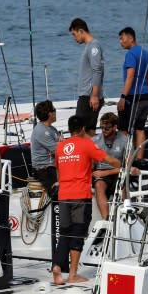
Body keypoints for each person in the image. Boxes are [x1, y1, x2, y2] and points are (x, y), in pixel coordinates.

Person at [53, 115, 120, 284]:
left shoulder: (60, 146)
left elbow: (58, 171)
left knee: (64, 234)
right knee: (77, 235)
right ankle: (73, 275)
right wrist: (120, 164)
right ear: (83, 129)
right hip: (80, 196)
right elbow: (108, 159)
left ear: (69, 129)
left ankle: (57, 267)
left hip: (63, 195)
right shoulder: (86, 144)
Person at [118, 26, 148, 160]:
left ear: (131, 38)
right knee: (140, 129)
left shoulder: (131, 54)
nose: (121, 42)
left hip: (132, 98)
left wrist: (123, 97)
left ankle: (127, 160)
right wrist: (146, 93)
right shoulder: (146, 53)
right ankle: (139, 159)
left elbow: (130, 76)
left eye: (122, 38)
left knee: (123, 130)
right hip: (145, 97)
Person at [69, 17, 104, 136]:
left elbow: (97, 70)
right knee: (89, 131)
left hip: (88, 96)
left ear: (80, 31)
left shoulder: (94, 46)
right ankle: (92, 153)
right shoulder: (89, 46)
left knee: (78, 131)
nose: (74, 38)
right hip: (87, 96)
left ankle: (90, 153)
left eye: (74, 34)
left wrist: (94, 95)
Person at [92, 112, 128, 219]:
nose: (103, 130)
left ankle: (125, 216)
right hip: (101, 172)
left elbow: (127, 166)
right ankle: (106, 219)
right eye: (101, 128)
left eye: (107, 128)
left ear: (115, 127)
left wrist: (106, 172)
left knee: (122, 186)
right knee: (99, 185)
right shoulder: (95, 141)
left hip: (119, 172)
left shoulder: (125, 140)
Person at [30, 99, 61, 191]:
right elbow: (58, 149)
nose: (56, 112)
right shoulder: (41, 131)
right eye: (54, 110)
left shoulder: (52, 129)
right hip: (44, 169)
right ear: (49, 114)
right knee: (58, 189)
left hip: (53, 165)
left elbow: (61, 144)